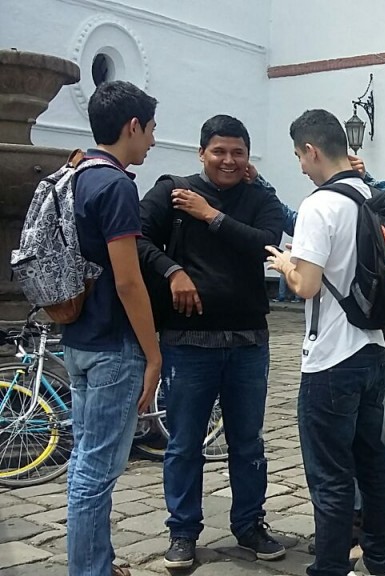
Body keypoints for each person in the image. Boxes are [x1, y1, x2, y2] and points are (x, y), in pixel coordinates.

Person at [138, 115, 286, 569]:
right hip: (187, 342)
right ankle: (183, 530)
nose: (228, 160)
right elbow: (136, 240)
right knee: (184, 442)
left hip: (247, 341)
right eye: (219, 151)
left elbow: (266, 243)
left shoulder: (261, 197)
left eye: (237, 152)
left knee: (248, 442)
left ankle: (249, 523)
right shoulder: (172, 191)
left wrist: (211, 215)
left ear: (247, 156)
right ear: (202, 153)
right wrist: (173, 271)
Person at [265, 109, 385, 576]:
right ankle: (378, 560)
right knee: (373, 465)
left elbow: (308, 285)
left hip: (331, 358)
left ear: (312, 150)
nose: (300, 165)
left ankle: (329, 567)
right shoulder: (373, 196)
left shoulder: (320, 205)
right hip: (374, 348)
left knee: (331, 475)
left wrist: (283, 265)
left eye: (300, 155)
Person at [61, 80, 161, 576]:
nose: (152, 142)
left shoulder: (75, 174)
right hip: (112, 345)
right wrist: (154, 353)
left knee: (84, 462)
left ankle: (97, 560)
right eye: (150, 131)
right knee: (96, 473)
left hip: (77, 338)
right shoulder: (117, 184)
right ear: (132, 126)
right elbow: (128, 281)